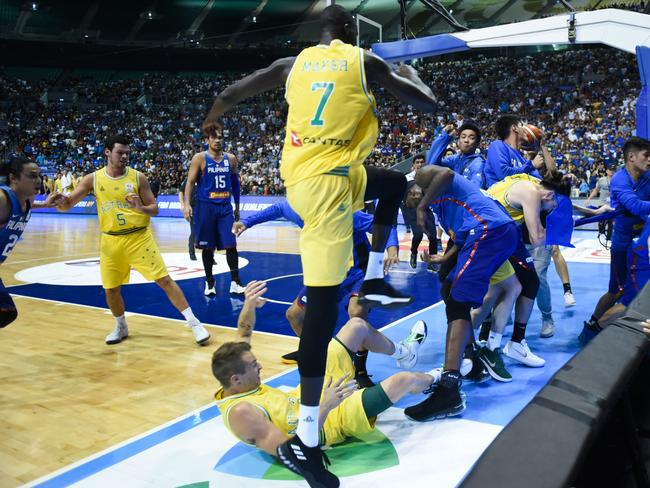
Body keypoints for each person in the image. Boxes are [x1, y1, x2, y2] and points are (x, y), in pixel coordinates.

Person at [201, 5, 436, 484]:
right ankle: (308, 438)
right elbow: (427, 104)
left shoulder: (293, 65)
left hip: (326, 175)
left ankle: (372, 278)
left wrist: (212, 120)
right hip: (328, 188)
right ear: (350, 31)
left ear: (317, 34)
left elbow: (229, 93)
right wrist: (412, 73)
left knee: (391, 185)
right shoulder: (363, 60)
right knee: (323, 311)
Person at [212, 286, 436, 472]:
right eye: (253, 366)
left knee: (356, 326)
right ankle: (441, 376)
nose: (260, 366)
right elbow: (295, 451)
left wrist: (249, 305)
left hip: (310, 393)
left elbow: (243, 332)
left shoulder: (233, 375)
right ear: (236, 379)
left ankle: (405, 352)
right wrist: (326, 405)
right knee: (404, 380)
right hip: (328, 420)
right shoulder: (242, 412)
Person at [57, 135, 210, 345]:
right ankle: (121, 326)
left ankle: (195, 323)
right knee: (111, 289)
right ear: (107, 152)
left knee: (164, 280)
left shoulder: (138, 178)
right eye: (120, 152)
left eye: (127, 153)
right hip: (111, 242)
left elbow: (154, 209)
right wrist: (60, 201)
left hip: (139, 238)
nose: (124, 156)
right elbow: (66, 205)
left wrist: (140, 208)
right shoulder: (93, 179)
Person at [233, 200, 400, 384]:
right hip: (329, 272)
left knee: (357, 313)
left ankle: (359, 371)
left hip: (360, 270)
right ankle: (314, 351)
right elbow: (278, 208)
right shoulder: (297, 208)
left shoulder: (344, 212)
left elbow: (384, 225)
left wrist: (392, 250)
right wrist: (247, 222)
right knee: (294, 315)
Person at [403, 165, 519, 421]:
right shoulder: (445, 210)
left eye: (412, 196)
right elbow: (463, 240)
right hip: (495, 233)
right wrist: (445, 257)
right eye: (411, 203)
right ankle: (473, 361)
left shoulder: (426, 178)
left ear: (414, 186)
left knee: (457, 302)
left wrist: (422, 206)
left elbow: (447, 174)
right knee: (447, 286)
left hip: (491, 230)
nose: (413, 200)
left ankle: (449, 390)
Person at [581, 137, 650, 342]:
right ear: (631, 157)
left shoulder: (647, 175)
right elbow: (636, 207)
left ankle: (595, 325)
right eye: (646, 156)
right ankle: (593, 327)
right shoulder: (620, 179)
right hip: (624, 245)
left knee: (628, 293)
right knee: (619, 292)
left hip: (641, 244)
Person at [0, 155, 63, 328]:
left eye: (39, 175)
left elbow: (23, 207)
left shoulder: (28, 199)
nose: (38, 180)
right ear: (13, 178)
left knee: (6, 313)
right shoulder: (2, 198)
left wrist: (46, 205)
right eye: (32, 176)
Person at [183, 124, 245, 297]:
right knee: (207, 248)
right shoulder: (199, 158)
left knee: (231, 245)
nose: (218, 140)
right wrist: (187, 204)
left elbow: (236, 185)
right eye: (214, 137)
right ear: (207, 140)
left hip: (225, 208)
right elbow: (189, 182)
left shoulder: (231, 159)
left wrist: (238, 207)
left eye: (220, 137)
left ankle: (235, 282)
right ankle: (210, 283)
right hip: (205, 208)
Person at [484, 115, 555, 188]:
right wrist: (531, 165)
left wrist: (543, 146)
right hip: (499, 195)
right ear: (514, 128)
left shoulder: (524, 161)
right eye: (521, 125)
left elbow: (548, 177)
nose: (525, 128)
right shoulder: (497, 145)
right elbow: (503, 174)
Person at [426, 120, 486, 189]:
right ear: (458, 141)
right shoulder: (453, 159)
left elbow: (476, 190)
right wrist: (445, 137)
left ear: (477, 143)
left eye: (471, 138)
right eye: (463, 137)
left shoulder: (479, 163)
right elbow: (432, 165)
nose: (466, 140)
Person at [178, 176, 197, 261]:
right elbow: (181, 191)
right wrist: (182, 204)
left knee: (208, 231)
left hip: (205, 208)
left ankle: (210, 256)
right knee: (194, 231)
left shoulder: (206, 176)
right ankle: (192, 253)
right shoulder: (189, 178)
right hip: (193, 207)